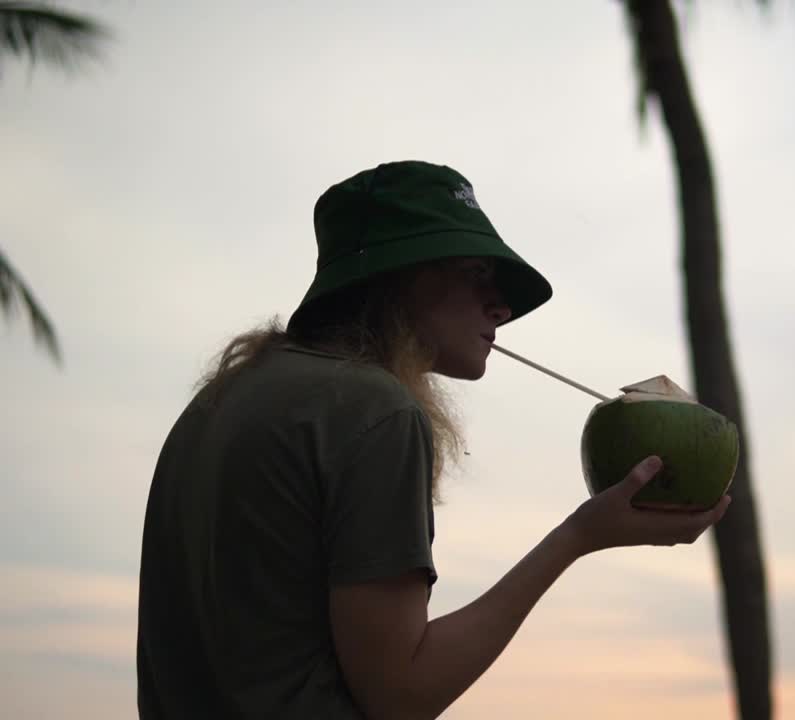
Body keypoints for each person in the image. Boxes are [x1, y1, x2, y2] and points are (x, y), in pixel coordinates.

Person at [135, 160, 732, 719]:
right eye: (475, 274)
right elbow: (401, 692)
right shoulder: (375, 409)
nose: (500, 305)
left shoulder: (222, 400)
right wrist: (578, 537)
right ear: (396, 277)